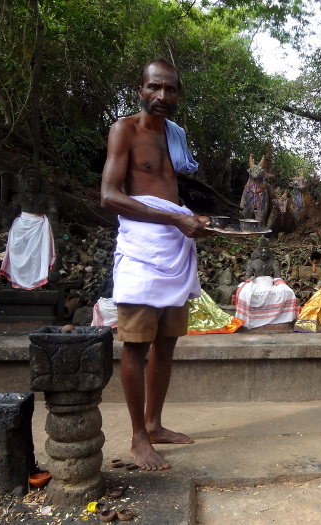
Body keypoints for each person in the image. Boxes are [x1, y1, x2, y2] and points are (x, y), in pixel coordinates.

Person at [100, 58, 211, 470]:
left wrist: (191, 218)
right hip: (142, 250)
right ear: (141, 89)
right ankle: (137, 439)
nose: (163, 96)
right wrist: (176, 218)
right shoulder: (123, 130)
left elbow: (166, 193)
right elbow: (109, 196)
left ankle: (155, 423)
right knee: (136, 344)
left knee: (167, 342)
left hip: (174, 246)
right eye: (155, 88)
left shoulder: (175, 135)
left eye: (171, 90)